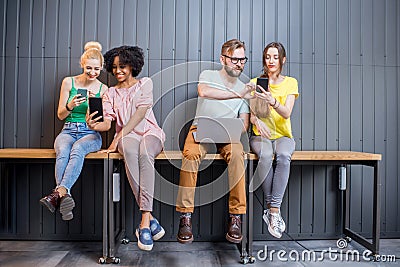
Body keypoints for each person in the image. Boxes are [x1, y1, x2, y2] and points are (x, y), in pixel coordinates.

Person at [86, 45, 165, 251]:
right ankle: (148, 221)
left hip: (149, 133)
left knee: (145, 152)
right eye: (114, 67)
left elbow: (140, 114)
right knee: (130, 151)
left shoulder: (145, 84)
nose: (118, 71)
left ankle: (144, 221)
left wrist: (118, 137)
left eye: (122, 66)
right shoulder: (110, 93)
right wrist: (93, 124)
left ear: (133, 65)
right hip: (127, 138)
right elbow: (107, 123)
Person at [176, 39, 255, 244]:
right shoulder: (208, 76)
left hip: (228, 131)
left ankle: (235, 217)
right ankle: (185, 217)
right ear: (223, 59)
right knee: (191, 155)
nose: (239, 63)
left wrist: (235, 131)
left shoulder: (244, 89)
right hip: (201, 126)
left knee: (238, 155)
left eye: (242, 59)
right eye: (235, 59)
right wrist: (237, 93)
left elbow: (244, 123)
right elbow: (204, 92)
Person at [40, 41, 108, 221]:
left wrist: (92, 112)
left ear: (101, 68)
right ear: (82, 65)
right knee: (63, 150)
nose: (93, 73)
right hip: (68, 130)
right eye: (88, 68)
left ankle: (57, 194)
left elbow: (103, 122)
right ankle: (64, 197)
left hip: (90, 133)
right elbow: (60, 115)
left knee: (78, 149)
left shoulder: (103, 89)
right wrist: (70, 105)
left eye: (97, 69)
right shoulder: (68, 82)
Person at [249, 42, 299, 238]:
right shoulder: (256, 82)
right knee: (266, 155)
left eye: (275, 57)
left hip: (283, 136)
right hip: (261, 136)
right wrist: (256, 121)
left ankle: (272, 210)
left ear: (282, 60)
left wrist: (273, 101)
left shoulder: (291, 83)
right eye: (268, 57)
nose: (271, 61)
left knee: (284, 156)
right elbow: (251, 114)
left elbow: (286, 113)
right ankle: (274, 212)